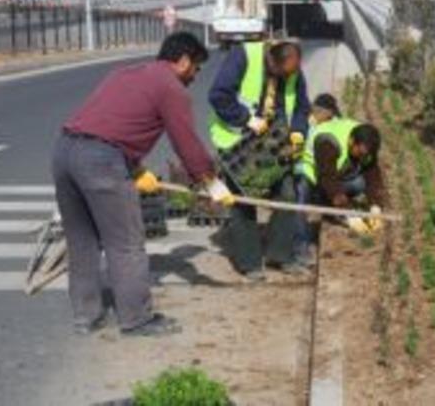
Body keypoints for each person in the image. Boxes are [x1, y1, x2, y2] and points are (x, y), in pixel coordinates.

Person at [53, 32, 233, 337]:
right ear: (183, 61)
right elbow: (185, 142)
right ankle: (136, 319)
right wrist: (211, 182)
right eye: (196, 68)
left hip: (64, 152)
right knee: (125, 243)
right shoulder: (170, 87)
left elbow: (111, 119)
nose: (195, 76)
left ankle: (87, 315)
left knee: (82, 242)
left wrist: (133, 168)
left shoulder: (126, 72)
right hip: (101, 161)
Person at [207, 40, 312, 279]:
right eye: (280, 73)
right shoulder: (243, 55)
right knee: (244, 201)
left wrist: (298, 131)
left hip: (274, 142)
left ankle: (280, 255)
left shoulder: (293, 72)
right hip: (239, 141)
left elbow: (301, 108)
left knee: (287, 196)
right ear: (271, 61)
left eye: (290, 74)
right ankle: (250, 263)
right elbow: (218, 95)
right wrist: (246, 119)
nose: (286, 77)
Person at [293, 120, 388, 270]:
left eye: (366, 154)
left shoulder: (365, 141)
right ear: (352, 142)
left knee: (359, 183)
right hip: (309, 170)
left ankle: (328, 204)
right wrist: (349, 213)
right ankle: (300, 249)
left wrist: (375, 206)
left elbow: (373, 175)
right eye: (361, 153)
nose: (363, 157)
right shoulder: (328, 142)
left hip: (332, 171)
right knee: (299, 201)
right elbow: (327, 178)